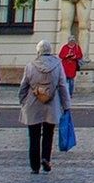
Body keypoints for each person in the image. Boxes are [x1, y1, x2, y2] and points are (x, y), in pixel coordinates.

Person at [18, 39, 71, 174]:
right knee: (48, 134)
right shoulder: (58, 65)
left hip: (33, 104)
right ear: (50, 51)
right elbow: (63, 86)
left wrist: (22, 100)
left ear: (38, 51)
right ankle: (46, 158)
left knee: (34, 136)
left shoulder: (30, 65)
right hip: (51, 104)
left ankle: (34, 166)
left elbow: (23, 86)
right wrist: (66, 105)